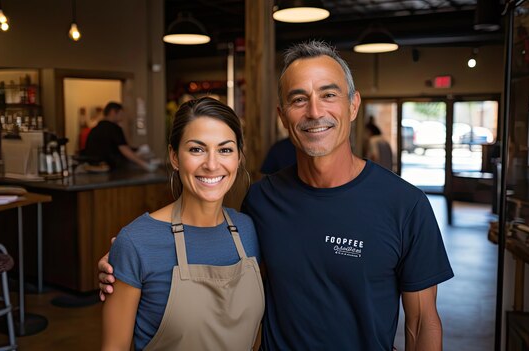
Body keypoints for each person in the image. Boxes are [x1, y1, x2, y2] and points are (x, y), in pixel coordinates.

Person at [99, 40, 453, 350]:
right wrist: (130, 260)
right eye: (299, 99)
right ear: (283, 116)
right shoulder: (262, 201)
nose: (315, 112)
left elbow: (422, 323)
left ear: (353, 105)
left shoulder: (406, 205)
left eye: (328, 95)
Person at [101, 97, 264, 350]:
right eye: (197, 149)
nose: (212, 164)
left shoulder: (249, 230)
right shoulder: (136, 242)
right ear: (174, 156)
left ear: (239, 157)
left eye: (225, 149)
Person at [83, 102, 155, 171]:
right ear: (113, 112)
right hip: (108, 167)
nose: (123, 116)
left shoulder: (95, 129)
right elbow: (125, 150)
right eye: (121, 113)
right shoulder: (114, 128)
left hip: (91, 166)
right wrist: (145, 165)